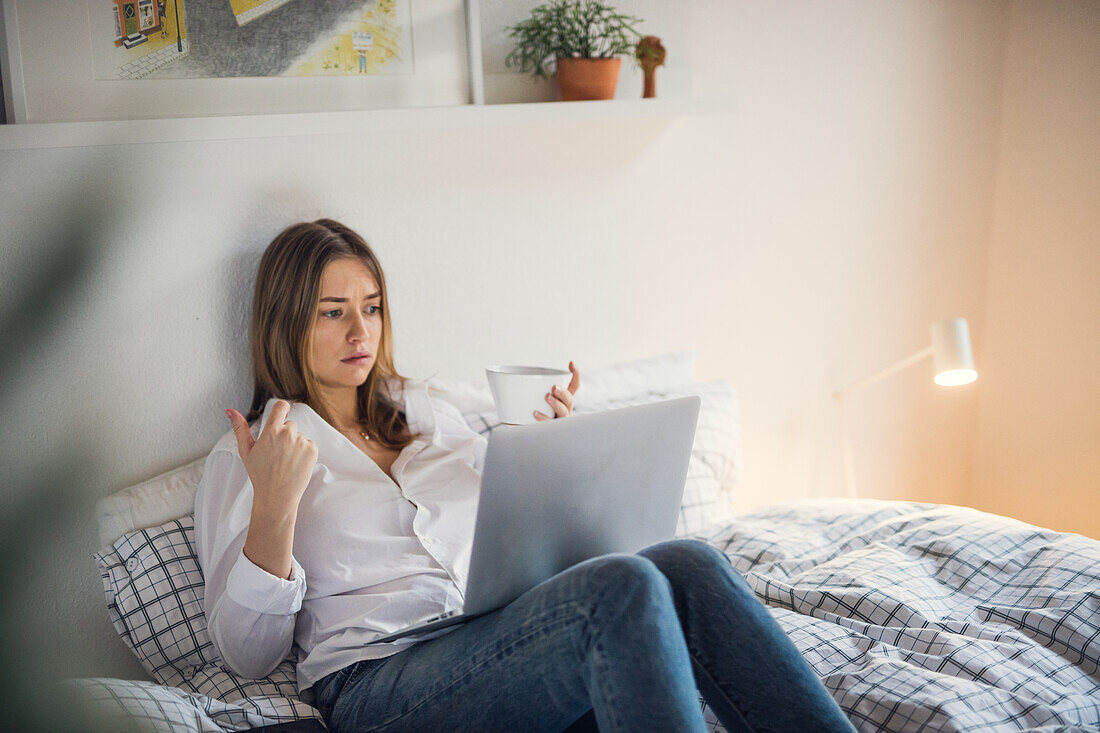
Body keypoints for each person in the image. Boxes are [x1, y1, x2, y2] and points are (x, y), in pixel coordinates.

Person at [194, 219, 856, 733]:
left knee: (687, 561)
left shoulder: (429, 414)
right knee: (621, 586)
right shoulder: (255, 451)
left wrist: (554, 460)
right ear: (287, 322)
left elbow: (519, 552)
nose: (359, 329)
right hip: (379, 686)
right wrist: (275, 506)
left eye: (371, 306)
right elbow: (246, 655)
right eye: (332, 311)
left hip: (501, 640)